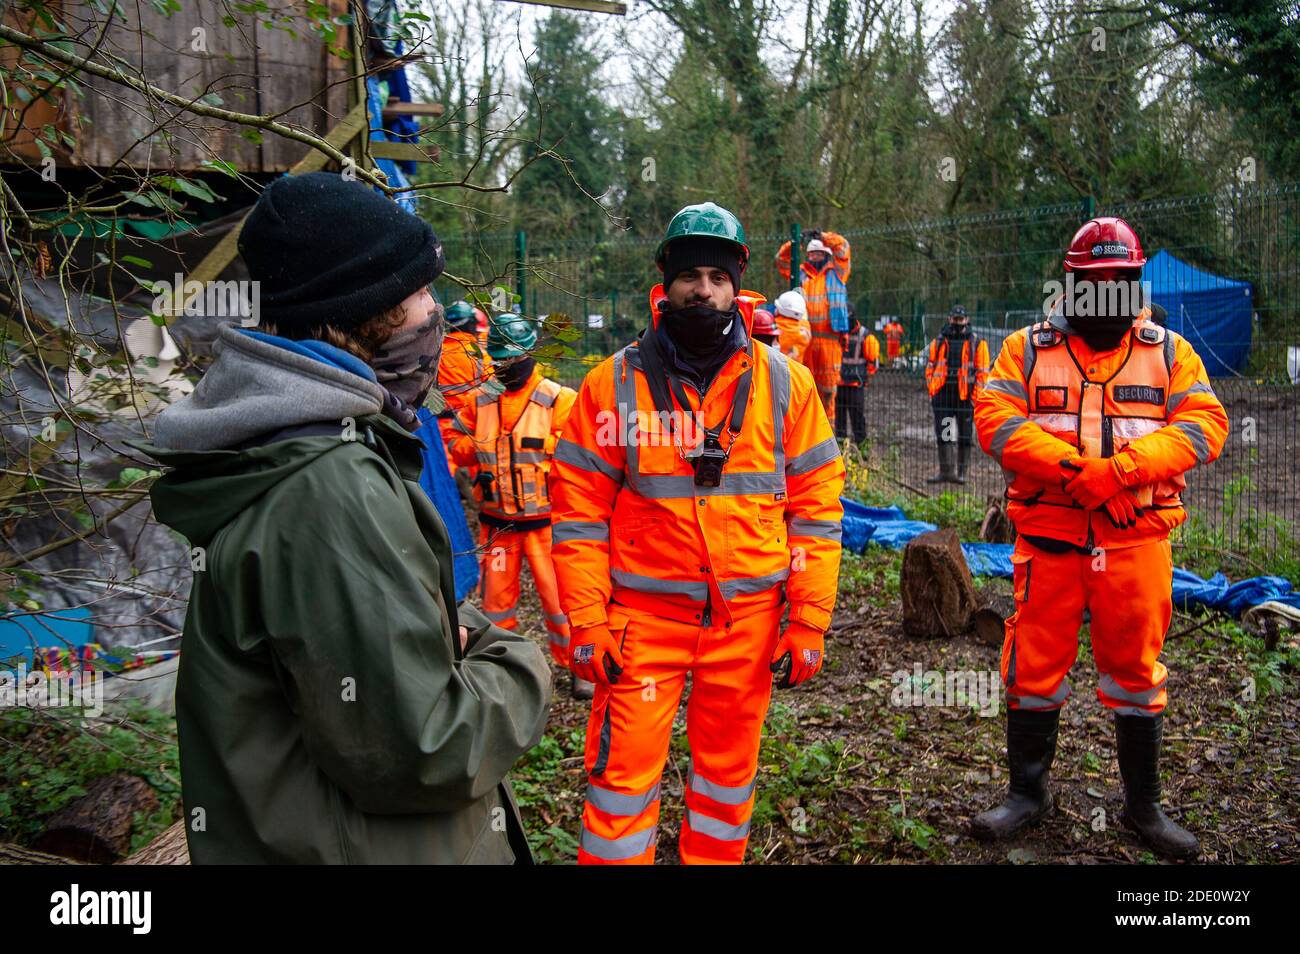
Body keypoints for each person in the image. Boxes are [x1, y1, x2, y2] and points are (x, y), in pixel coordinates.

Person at [132, 171, 551, 863]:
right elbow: (428, 748)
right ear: (358, 312)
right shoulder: (329, 489)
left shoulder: (298, 444)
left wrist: (453, 630)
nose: (432, 313)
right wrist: (517, 660)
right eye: (418, 293)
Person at [550, 202, 845, 864]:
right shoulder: (611, 388)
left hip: (747, 626)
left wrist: (808, 622)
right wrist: (588, 624)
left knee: (725, 782)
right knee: (621, 783)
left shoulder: (786, 384)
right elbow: (576, 516)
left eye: (717, 275)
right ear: (665, 283)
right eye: (691, 275)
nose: (703, 289)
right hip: (640, 627)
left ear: (737, 285)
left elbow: (818, 509)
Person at [972, 216, 1228, 859]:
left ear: (1134, 283)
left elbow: (1206, 425)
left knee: (1137, 674)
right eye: (1094, 282)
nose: (1107, 293)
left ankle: (1143, 806)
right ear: (1072, 283)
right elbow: (993, 418)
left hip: (1136, 543)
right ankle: (1028, 795)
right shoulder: (1025, 349)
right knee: (1032, 670)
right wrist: (1071, 470)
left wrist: (1120, 472)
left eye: (1120, 281)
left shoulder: (1168, 351)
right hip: (1049, 542)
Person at [453, 314, 584, 696]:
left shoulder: (560, 400)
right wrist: (481, 445)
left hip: (546, 526)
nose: (505, 368)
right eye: (499, 361)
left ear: (529, 355)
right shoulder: (479, 402)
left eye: (512, 360)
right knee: (495, 605)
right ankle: (502, 668)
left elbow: (580, 461)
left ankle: (581, 665)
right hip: (498, 528)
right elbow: (458, 451)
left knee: (562, 601)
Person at [776, 230, 852, 421]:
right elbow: (781, 260)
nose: (814, 256)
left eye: (818, 253)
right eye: (811, 253)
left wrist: (824, 236)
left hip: (830, 341)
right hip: (804, 338)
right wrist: (795, 242)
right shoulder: (800, 273)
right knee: (802, 387)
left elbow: (843, 248)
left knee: (827, 391)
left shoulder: (838, 272)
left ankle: (828, 433)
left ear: (827, 254)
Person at [924, 304, 989, 484]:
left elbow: (983, 374)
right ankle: (946, 471)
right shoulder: (938, 342)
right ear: (949, 319)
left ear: (967, 320)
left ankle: (961, 473)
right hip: (943, 395)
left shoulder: (977, 343)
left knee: (965, 435)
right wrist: (933, 389)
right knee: (944, 432)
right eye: (955, 319)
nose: (957, 323)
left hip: (965, 397)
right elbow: (930, 367)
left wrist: (975, 398)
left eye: (960, 320)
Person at [435, 300, 492, 479]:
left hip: (443, 424)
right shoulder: (481, 355)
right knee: (478, 475)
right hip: (473, 424)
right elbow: (494, 389)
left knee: (448, 475)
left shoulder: (436, 354)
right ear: (472, 324)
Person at [835, 303, 880, 444]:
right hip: (839, 384)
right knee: (839, 423)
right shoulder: (837, 334)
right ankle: (842, 451)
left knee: (858, 421)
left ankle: (862, 451)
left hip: (855, 385)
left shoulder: (866, 337)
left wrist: (865, 378)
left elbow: (873, 363)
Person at [772, 289, 812, 364]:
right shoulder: (805, 330)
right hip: (796, 373)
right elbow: (802, 319)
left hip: (775, 372)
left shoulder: (774, 328)